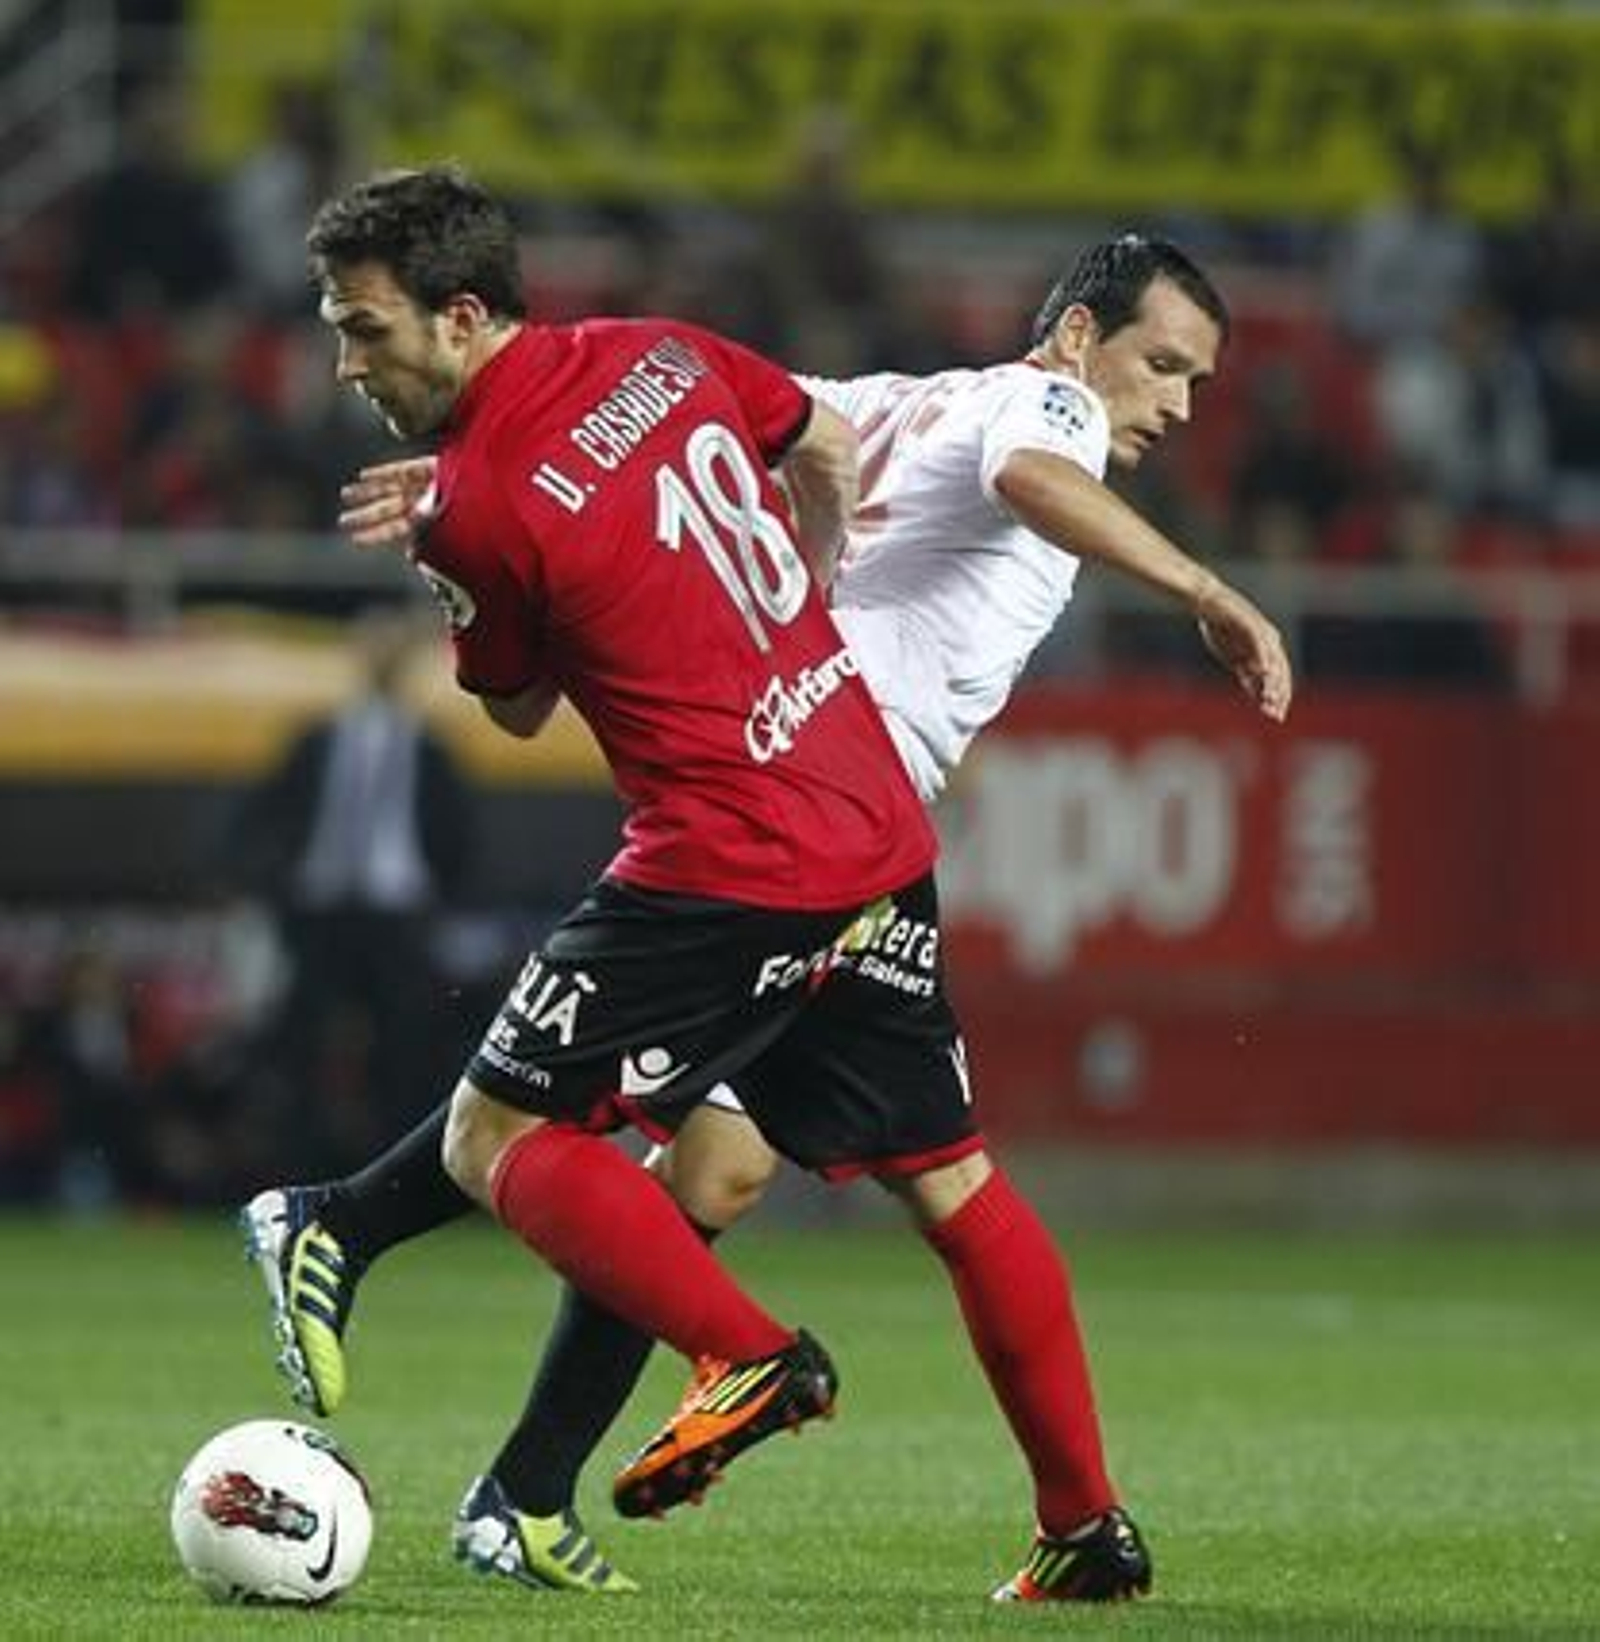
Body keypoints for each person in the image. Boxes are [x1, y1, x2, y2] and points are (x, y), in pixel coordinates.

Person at [242, 176, 1291, 1605]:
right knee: (813, 1174)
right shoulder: (1043, 409)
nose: (1171, 403)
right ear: (1073, 336)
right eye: (1159, 363)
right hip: (815, 809)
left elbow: (675, 447)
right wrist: (1206, 590)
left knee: (680, 1159)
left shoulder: (905, 396)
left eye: (1194, 382)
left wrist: (484, 492)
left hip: (794, 819)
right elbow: (1029, 479)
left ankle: (513, 1415)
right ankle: (529, 1463)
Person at [232, 606, 473, 1171]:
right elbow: (266, 815)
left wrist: (438, 899)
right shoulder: (318, 738)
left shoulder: (430, 748)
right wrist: (271, 882)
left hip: (398, 913)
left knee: (405, 1047)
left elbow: (458, 835)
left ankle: (392, 1174)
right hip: (321, 909)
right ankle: (300, 1169)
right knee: (301, 1045)